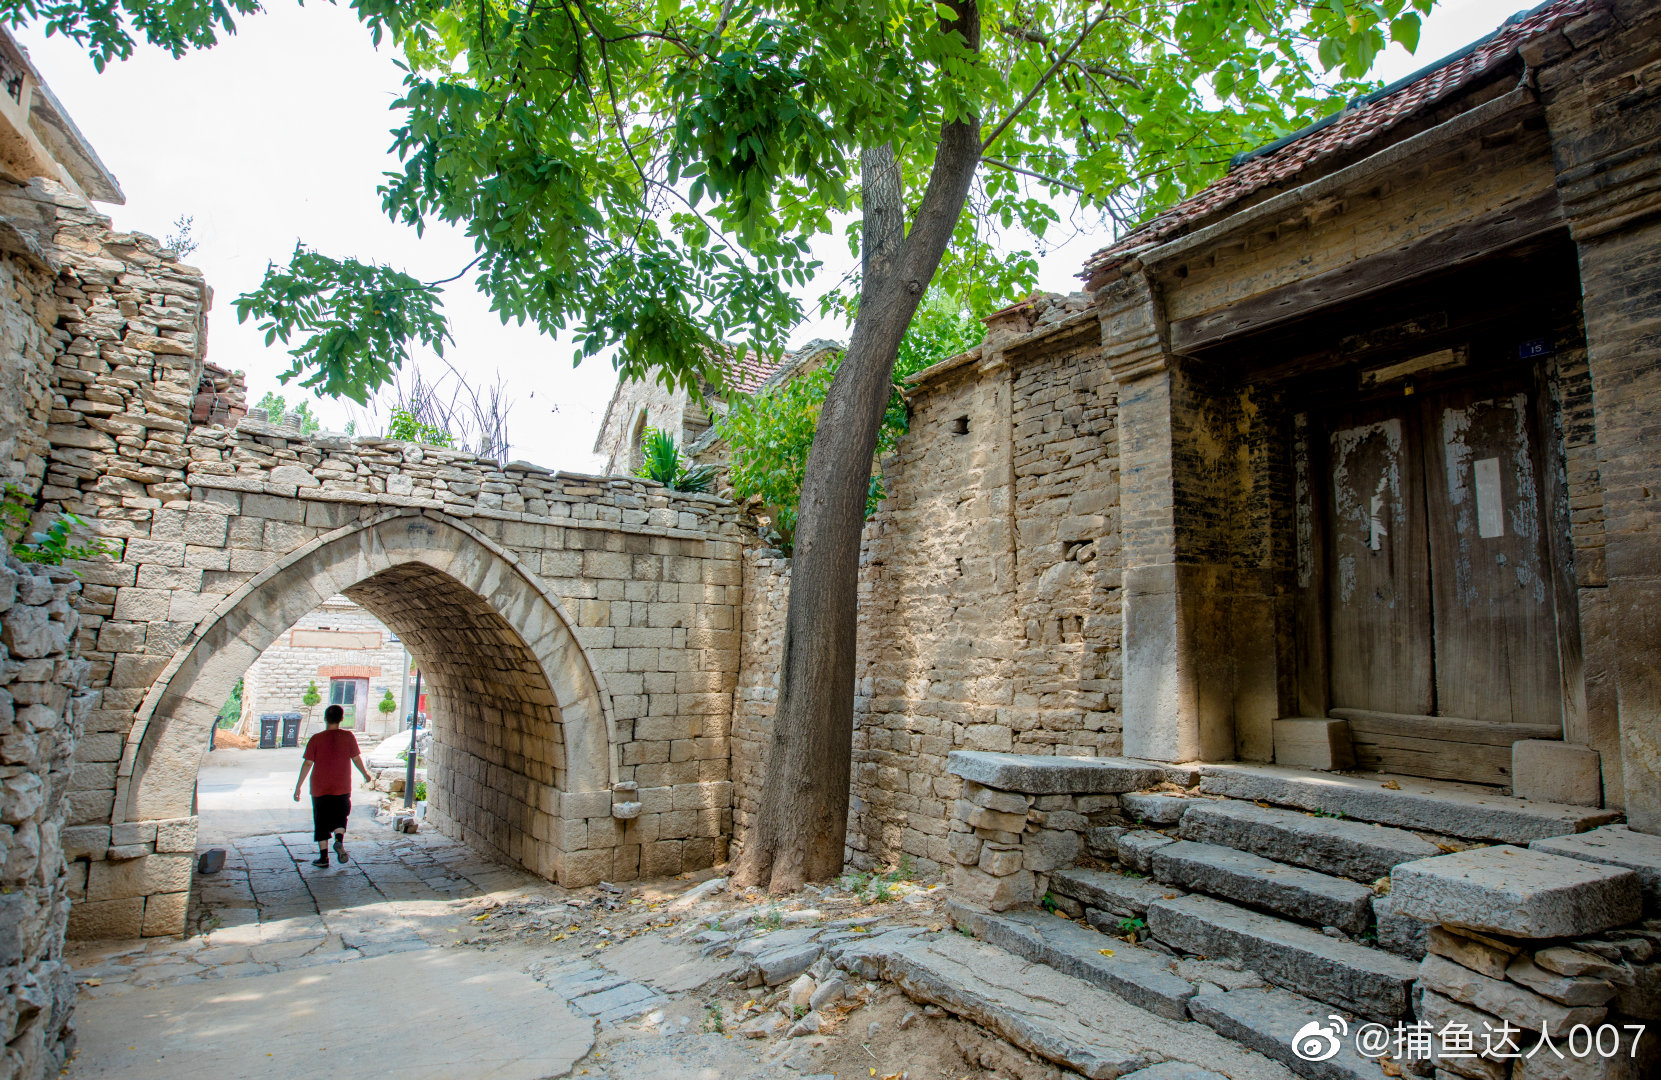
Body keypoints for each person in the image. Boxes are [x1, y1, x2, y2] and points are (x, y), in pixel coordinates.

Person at [293, 704, 373, 867]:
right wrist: (365, 774)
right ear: (342, 719)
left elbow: (308, 763)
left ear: (325, 718)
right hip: (341, 785)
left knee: (321, 820)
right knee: (340, 816)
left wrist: (298, 786)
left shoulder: (316, 739)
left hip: (320, 786)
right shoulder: (348, 737)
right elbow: (356, 758)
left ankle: (323, 858)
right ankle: (338, 840)